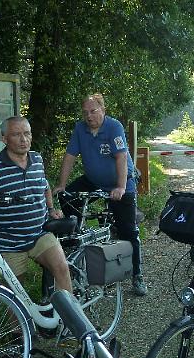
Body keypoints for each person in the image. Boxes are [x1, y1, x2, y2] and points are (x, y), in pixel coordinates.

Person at [0, 116, 73, 294]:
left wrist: (50, 209)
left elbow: (44, 186)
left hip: (39, 233)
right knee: (15, 295)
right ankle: (19, 322)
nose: (24, 139)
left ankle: (68, 319)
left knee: (61, 268)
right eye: (16, 135)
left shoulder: (37, 159)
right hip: (9, 242)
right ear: (4, 139)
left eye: (27, 133)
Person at [54, 93, 147, 296]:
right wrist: (61, 184)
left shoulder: (113, 127)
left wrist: (121, 187)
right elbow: (70, 156)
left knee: (128, 231)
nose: (89, 116)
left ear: (103, 110)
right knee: (67, 196)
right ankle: (75, 239)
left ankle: (137, 274)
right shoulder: (80, 129)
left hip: (120, 182)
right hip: (94, 180)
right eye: (85, 112)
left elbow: (121, 157)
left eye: (93, 111)